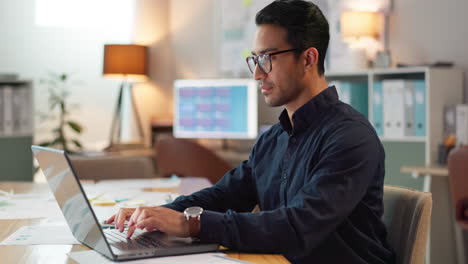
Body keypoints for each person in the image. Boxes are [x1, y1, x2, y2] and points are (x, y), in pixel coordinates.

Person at [107, 0, 395, 263]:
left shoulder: (350, 138)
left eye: (268, 58)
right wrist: (157, 214)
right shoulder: (274, 138)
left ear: (308, 59)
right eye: (254, 60)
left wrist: (190, 223)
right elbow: (224, 195)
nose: (258, 73)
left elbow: (296, 227)